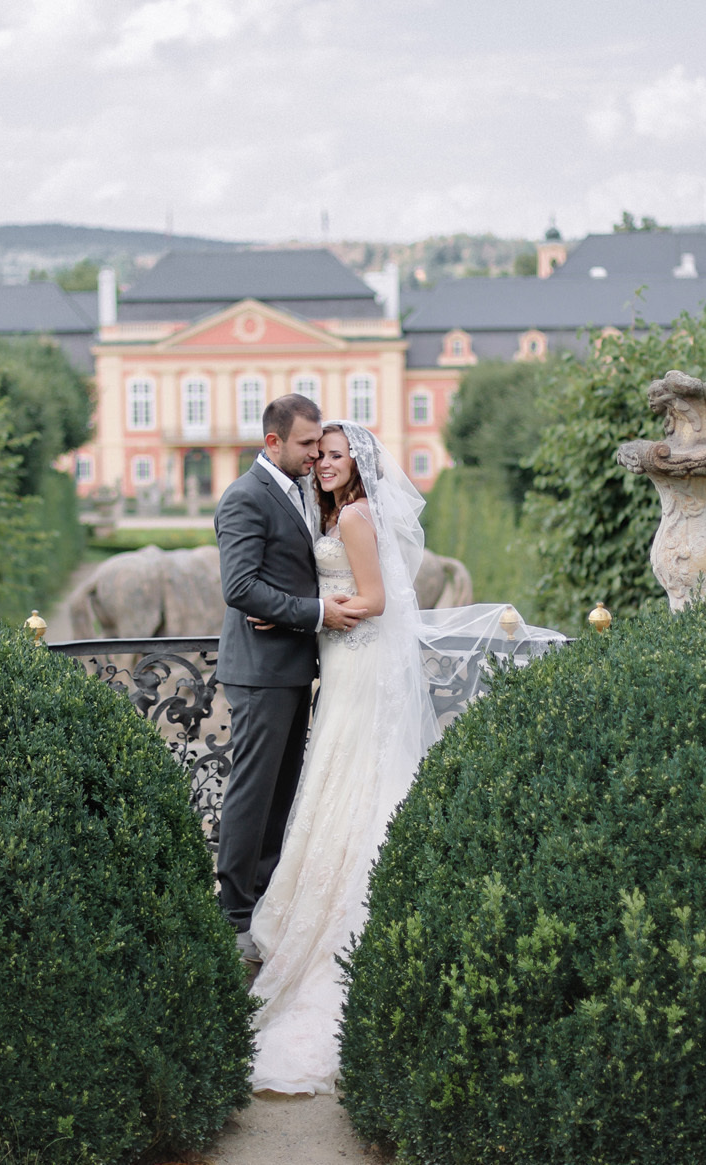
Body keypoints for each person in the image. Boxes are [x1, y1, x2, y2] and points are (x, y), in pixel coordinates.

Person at [243, 419, 445, 1095]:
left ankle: (344, 925)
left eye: (335, 455)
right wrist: (301, 611)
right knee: (340, 778)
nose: (324, 464)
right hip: (343, 664)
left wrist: (307, 610)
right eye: (320, 454)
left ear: (358, 463)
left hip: (358, 667)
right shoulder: (335, 513)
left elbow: (377, 600)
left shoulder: (355, 517)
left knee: (352, 779)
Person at [212, 396, 366, 966]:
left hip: (293, 665)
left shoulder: (303, 490)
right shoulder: (245, 496)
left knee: (282, 791)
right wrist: (314, 612)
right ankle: (233, 914)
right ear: (273, 442)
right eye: (306, 445)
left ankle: (264, 903)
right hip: (260, 670)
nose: (315, 455)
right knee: (253, 792)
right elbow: (240, 586)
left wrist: (292, 613)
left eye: (319, 445)